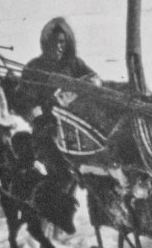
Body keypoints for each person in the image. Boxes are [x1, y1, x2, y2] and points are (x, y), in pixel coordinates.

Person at [13, 17, 101, 180]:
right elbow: (24, 99)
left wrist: (78, 88)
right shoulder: (34, 67)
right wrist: (37, 112)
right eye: (53, 42)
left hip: (77, 122)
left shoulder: (73, 63)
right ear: (46, 43)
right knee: (57, 168)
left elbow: (95, 80)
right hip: (49, 123)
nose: (58, 47)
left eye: (62, 42)